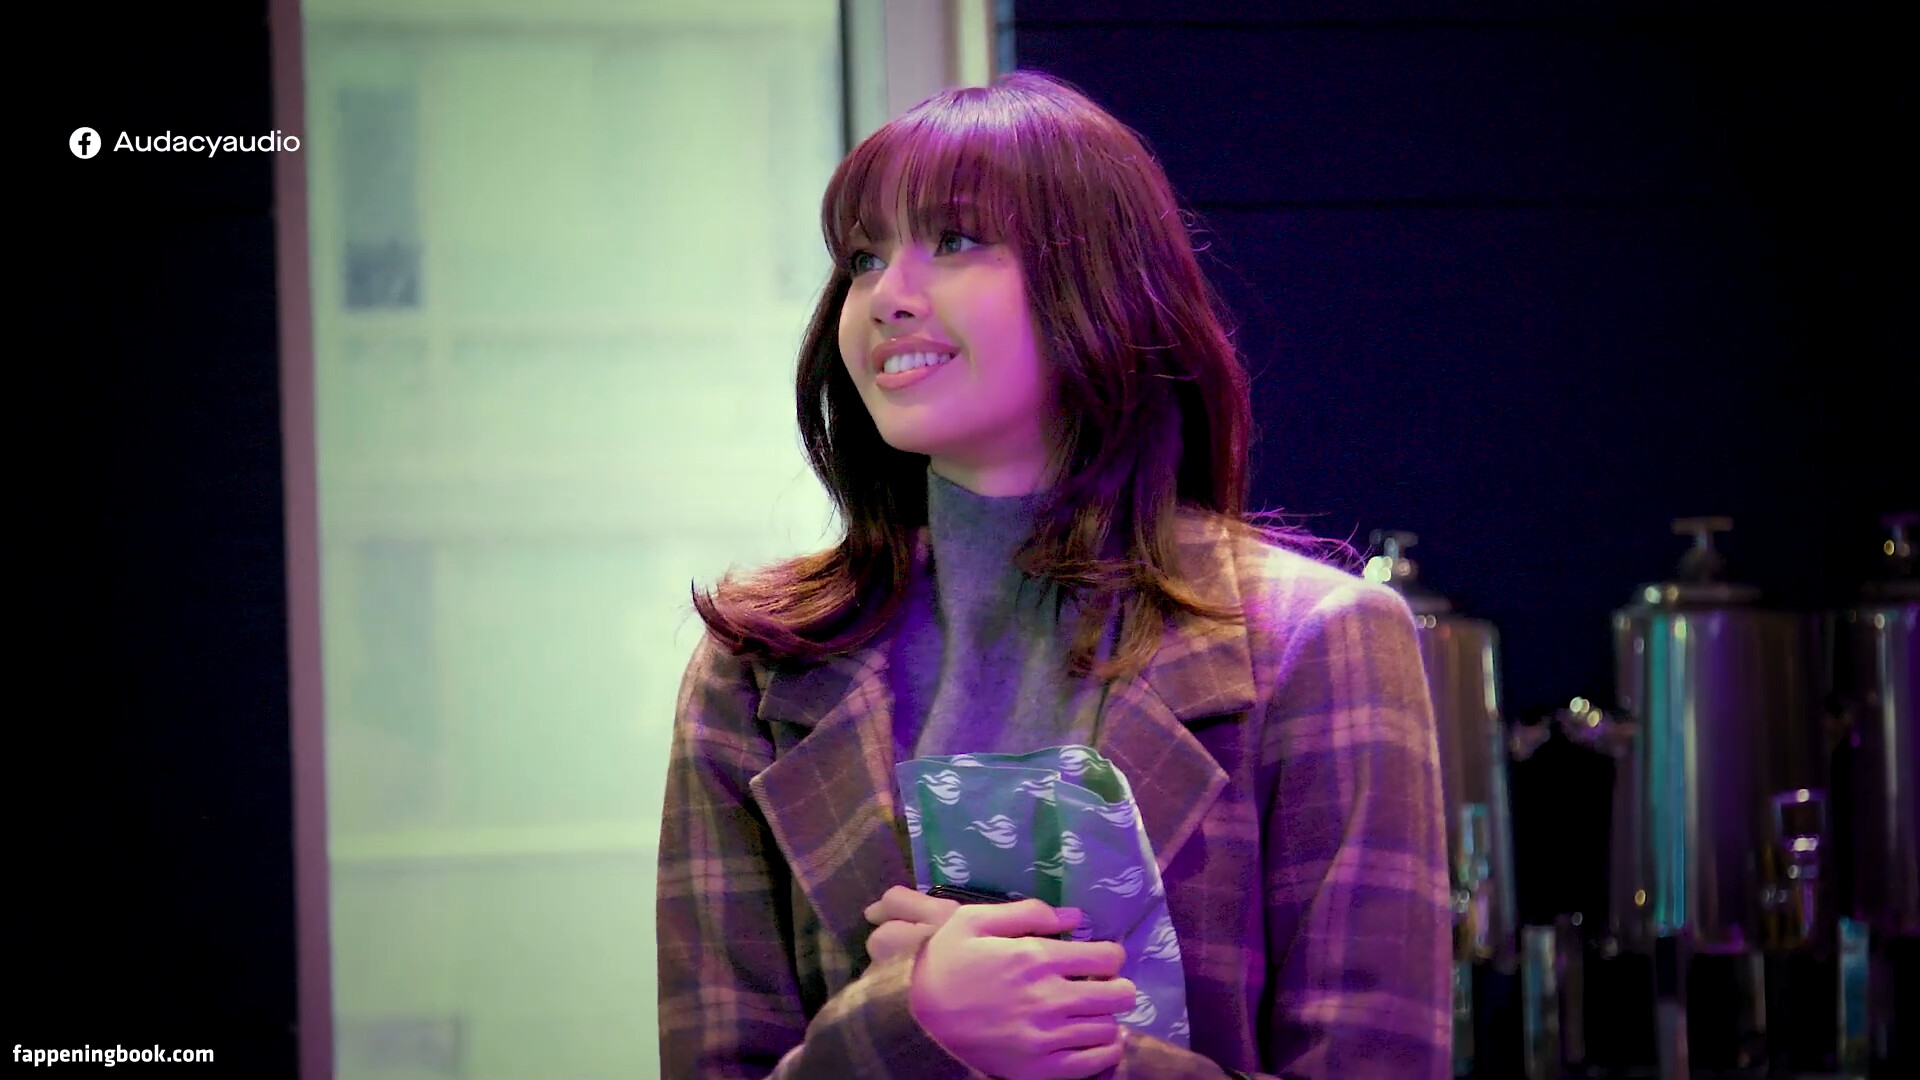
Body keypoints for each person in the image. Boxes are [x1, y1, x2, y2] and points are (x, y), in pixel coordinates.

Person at [656, 70, 1450, 1079]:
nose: (887, 296)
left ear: (1102, 280)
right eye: (862, 258)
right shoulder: (758, 666)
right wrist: (908, 1020)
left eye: (954, 240)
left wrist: (1069, 1045)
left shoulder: (1317, 641)